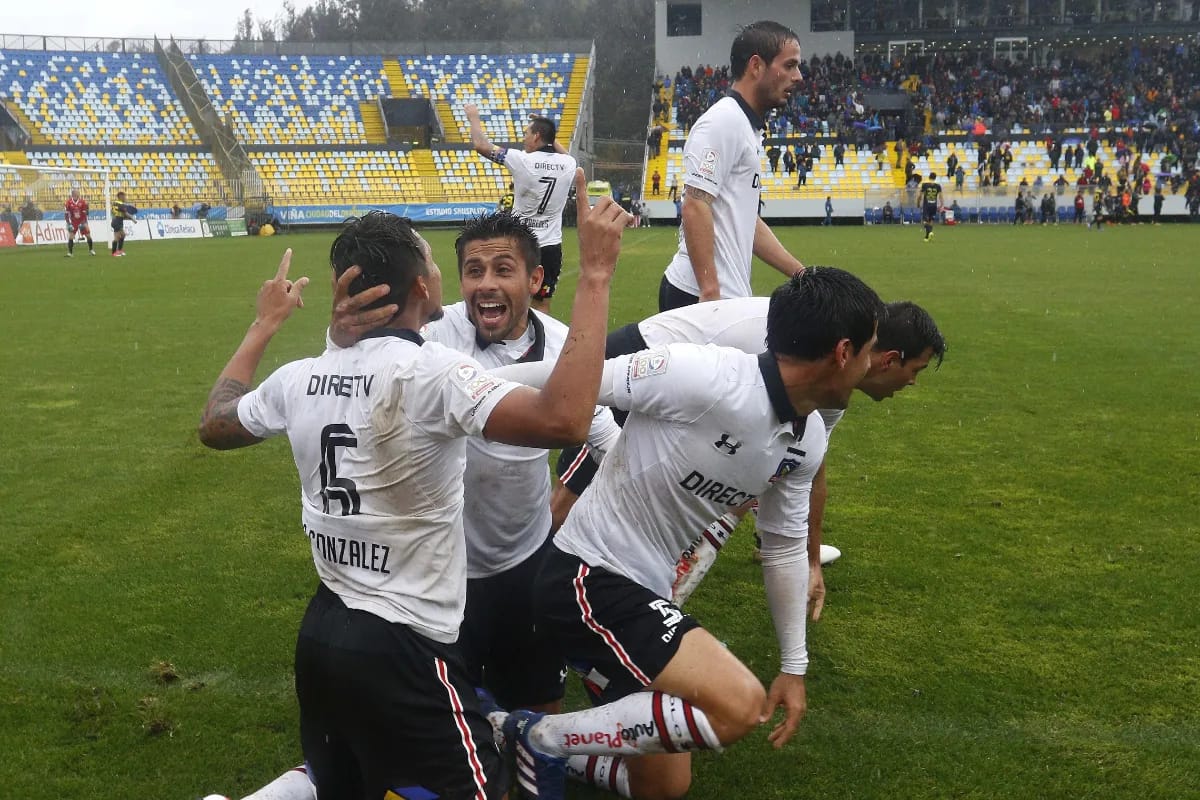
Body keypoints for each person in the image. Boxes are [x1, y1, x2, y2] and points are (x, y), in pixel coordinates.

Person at [196, 183, 630, 800]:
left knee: (348, 784)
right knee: (493, 785)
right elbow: (564, 421)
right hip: (406, 639)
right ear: (425, 287)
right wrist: (594, 274)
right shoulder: (435, 372)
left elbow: (216, 423)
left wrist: (265, 324)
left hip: (324, 630)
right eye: (445, 263)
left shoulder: (300, 377)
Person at [484, 268, 885, 800]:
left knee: (663, 787)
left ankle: (542, 746)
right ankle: (537, 738)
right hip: (583, 577)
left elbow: (785, 545)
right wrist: (448, 378)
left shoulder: (807, 439)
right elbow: (576, 381)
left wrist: (794, 666)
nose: (871, 366)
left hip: (642, 593)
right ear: (842, 351)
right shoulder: (703, 374)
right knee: (737, 704)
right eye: (870, 351)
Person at [659, 20, 805, 312]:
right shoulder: (724, 121)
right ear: (756, 66)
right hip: (701, 296)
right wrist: (710, 292)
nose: (798, 76)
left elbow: (745, 220)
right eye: (789, 66)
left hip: (723, 295)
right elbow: (694, 205)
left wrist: (803, 275)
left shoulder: (746, 127)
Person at [465, 104, 576, 314]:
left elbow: (481, 145)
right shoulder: (568, 163)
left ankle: (510, 342)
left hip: (521, 243)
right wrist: (550, 135)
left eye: (527, 133)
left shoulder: (521, 159)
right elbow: (568, 157)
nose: (524, 138)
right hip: (551, 247)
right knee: (542, 302)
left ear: (536, 136)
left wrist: (473, 117)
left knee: (510, 297)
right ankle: (540, 344)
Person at [63, 189, 94, 257]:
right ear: (73, 194)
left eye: (78, 193)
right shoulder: (68, 202)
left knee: (88, 235)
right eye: (77, 193)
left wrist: (83, 223)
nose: (79, 194)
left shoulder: (82, 202)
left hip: (82, 221)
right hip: (73, 222)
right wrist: (68, 223)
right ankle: (70, 253)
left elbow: (85, 214)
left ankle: (91, 250)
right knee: (71, 237)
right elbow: (66, 214)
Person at [110, 191, 135, 256]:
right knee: (116, 237)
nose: (125, 198)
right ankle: (114, 253)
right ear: (120, 197)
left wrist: (127, 217)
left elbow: (119, 214)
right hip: (117, 221)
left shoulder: (115, 203)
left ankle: (119, 250)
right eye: (124, 196)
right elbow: (126, 214)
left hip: (117, 220)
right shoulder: (121, 204)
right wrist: (132, 219)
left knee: (123, 235)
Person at [919, 172, 942, 241]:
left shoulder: (924, 185)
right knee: (931, 221)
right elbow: (941, 196)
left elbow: (920, 195)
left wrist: (918, 202)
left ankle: (930, 232)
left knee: (925, 221)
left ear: (929, 177)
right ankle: (927, 237)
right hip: (934, 205)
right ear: (935, 178)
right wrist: (942, 205)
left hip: (927, 205)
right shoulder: (938, 186)